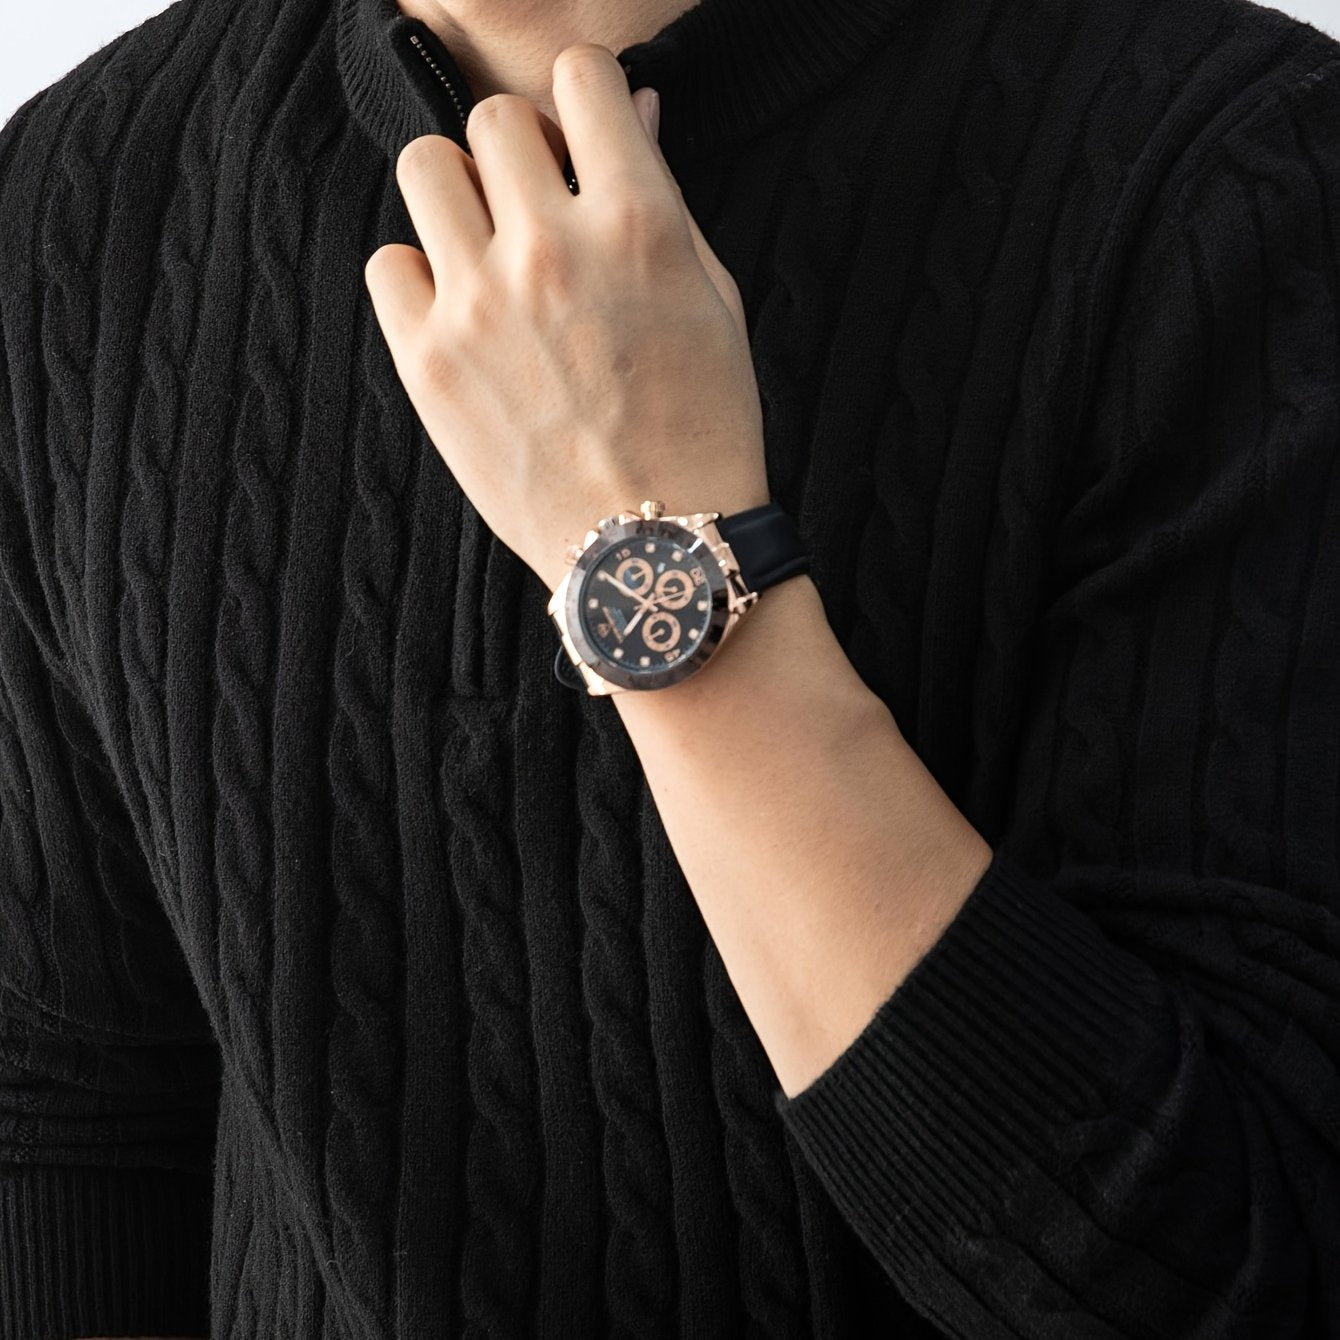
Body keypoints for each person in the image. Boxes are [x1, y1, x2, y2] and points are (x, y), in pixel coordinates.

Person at [1, 0, 1338, 1333]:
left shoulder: (1237, 172)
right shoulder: (79, 193)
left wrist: (652, 530)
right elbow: (64, 1104)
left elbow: (1235, 1271)